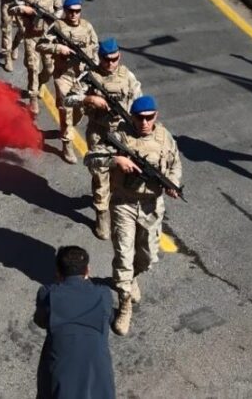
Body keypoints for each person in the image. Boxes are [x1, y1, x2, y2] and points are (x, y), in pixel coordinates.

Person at [84, 95, 183, 336]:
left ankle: (131, 278)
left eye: (150, 118)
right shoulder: (119, 136)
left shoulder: (164, 138)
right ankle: (124, 303)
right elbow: (90, 159)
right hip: (124, 204)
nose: (145, 123)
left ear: (156, 116)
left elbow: (175, 165)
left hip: (151, 206)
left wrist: (173, 184)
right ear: (133, 117)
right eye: (140, 118)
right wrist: (115, 160)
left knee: (146, 258)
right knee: (123, 255)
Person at [64, 38, 141, 239]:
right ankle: (101, 214)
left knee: (123, 173)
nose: (110, 63)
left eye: (114, 59)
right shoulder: (90, 76)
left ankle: (117, 207)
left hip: (123, 132)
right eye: (106, 59)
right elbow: (68, 99)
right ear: (99, 58)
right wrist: (89, 99)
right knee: (100, 174)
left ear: (119, 56)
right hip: (99, 133)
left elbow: (139, 102)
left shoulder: (127, 77)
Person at [34, 246, 115, 399]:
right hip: (96, 368)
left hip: (60, 367)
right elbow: (110, 318)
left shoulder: (48, 294)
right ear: (87, 270)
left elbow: (41, 321)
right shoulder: (103, 294)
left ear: (58, 272)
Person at [39, 0, 99, 163]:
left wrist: (93, 61)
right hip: (64, 75)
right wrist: (59, 48)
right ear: (65, 11)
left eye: (77, 11)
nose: (73, 14)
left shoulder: (87, 27)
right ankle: (67, 144)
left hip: (82, 77)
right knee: (66, 110)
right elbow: (41, 45)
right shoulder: (58, 26)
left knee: (80, 111)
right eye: (70, 11)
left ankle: (66, 129)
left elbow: (95, 46)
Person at [9, 0, 61, 115]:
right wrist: (24, 10)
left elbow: (60, 8)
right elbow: (12, 9)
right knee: (32, 67)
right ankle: (33, 96)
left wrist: (53, 17)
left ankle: (38, 84)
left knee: (49, 69)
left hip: (47, 37)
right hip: (31, 36)